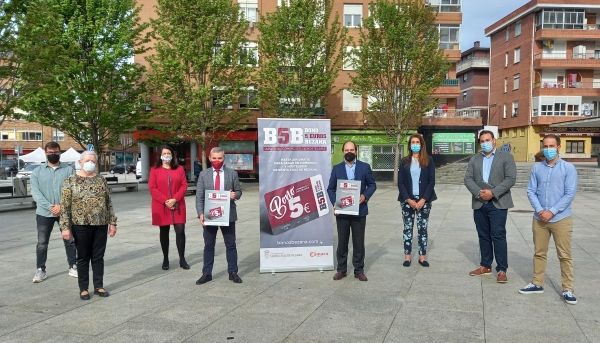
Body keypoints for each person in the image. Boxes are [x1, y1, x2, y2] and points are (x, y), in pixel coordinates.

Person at [520, 134, 578, 305]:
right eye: (545, 146)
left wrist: (551, 211)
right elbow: (531, 190)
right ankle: (537, 283)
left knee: (564, 255)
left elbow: (569, 194)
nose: (548, 149)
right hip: (540, 218)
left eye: (551, 146)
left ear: (559, 147)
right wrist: (540, 210)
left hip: (561, 218)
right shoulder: (537, 169)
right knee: (539, 252)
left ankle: (568, 289)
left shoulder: (568, 168)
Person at [60, 151, 117, 300]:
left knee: (98, 257)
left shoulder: (101, 180)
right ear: (80, 162)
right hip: (80, 225)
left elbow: (108, 203)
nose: (90, 163)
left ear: (96, 163)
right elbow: (65, 206)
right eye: (87, 160)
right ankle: (83, 288)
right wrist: (65, 227)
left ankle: (99, 285)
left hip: (100, 224)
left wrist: (113, 222)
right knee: (83, 257)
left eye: (93, 160)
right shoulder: (70, 181)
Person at [464, 130, 516, 283]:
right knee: (483, 235)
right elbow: (468, 179)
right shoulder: (474, 159)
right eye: (482, 141)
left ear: (494, 140)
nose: (485, 143)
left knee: (498, 235)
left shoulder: (506, 157)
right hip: (480, 202)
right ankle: (485, 265)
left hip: (498, 202)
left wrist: (492, 193)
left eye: (488, 140)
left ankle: (501, 269)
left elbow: (510, 179)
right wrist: (479, 193)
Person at [327, 141, 377, 281]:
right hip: (342, 211)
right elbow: (330, 188)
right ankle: (341, 269)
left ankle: (359, 270)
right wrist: (334, 202)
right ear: (343, 152)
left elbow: (372, 185)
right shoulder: (337, 168)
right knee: (342, 241)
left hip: (359, 210)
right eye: (346, 150)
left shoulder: (364, 167)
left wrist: (365, 195)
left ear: (356, 151)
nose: (349, 152)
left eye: (352, 149)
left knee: (358, 241)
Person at [30, 141, 77, 283]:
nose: (53, 154)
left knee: (70, 240)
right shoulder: (37, 172)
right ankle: (40, 269)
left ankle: (73, 266)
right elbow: (36, 193)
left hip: (65, 212)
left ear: (60, 153)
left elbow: (74, 189)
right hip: (44, 213)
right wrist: (51, 207)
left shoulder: (69, 170)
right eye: (50, 152)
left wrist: (62, 206)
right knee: (42, 242)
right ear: (46, 153)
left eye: (56, 152)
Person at [195, 147, 243, 285]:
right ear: (209, 158)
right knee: (209, 245)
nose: (217, 161)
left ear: (224, 159)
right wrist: (200, 214)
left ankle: (233, 272)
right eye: (214, 158)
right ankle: (206, 273)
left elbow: (238, 191)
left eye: (220, 158)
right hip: (210, 214)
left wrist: (235, 195)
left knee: (230, 244)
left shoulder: (232, 174)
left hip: (227, 214)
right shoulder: (204, 175)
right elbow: (199, 197)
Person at [397, 134, 437, 267]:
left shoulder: (428, 160)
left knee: (422, 228)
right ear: (409, 145)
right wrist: (408, 199)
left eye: (417, 142)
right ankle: (407, 256)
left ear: (421, 144)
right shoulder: (404, 161)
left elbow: (431, 182)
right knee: (407, 228)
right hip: (407, 200)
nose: (415, 144)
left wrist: (423, 199)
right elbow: (401, 182)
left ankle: (422, 256)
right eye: (412, 142)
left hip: (424, 201)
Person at [149, 145, 189, 271]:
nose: (166, 155)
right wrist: (165, 201)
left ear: (172, 155)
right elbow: (152, 188)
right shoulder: (154, 170)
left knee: (180, 230)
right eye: (164, 153)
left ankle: (182, 259)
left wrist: (175, 199)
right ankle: (165, 258)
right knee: (164, 231)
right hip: (162, 205)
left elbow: (184, 185)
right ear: (160, 155)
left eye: (169, 153)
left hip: (178, 204)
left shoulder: (180, 169)